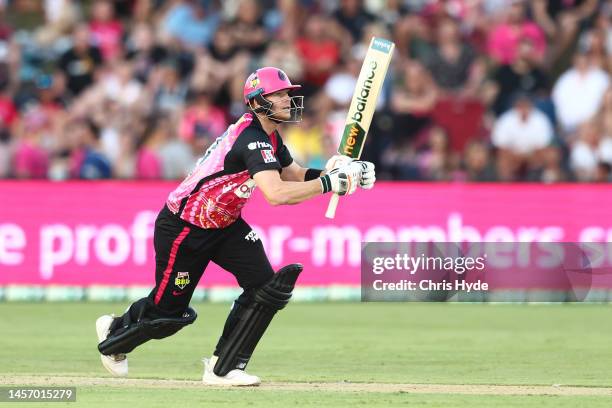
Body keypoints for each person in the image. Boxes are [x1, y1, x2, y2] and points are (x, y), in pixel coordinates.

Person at [94, 67, 375, 386]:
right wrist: (330, 184)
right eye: (279, 95)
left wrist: (341, 175)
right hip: (185, 228)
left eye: (286, 93)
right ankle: (114, 336)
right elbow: (277, 194)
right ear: (257, 103)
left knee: (267, 288)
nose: (287, 99)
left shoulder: (268, 135)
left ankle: (223, 368)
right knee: (167, 315)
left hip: (226, 225)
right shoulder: (251, 139)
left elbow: (293, 175)